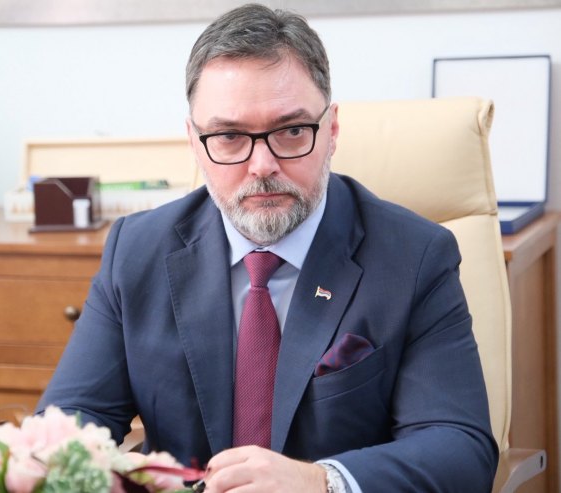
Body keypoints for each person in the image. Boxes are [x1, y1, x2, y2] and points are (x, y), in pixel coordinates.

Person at [37, 3, 498, 491]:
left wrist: (321, 482)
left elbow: (459, 449)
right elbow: (70, 420)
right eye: (229, 136)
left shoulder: (414, 257)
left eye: (292, 131)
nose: (262, 165)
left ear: (332, 130)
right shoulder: (137, 250)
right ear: (194, 142)